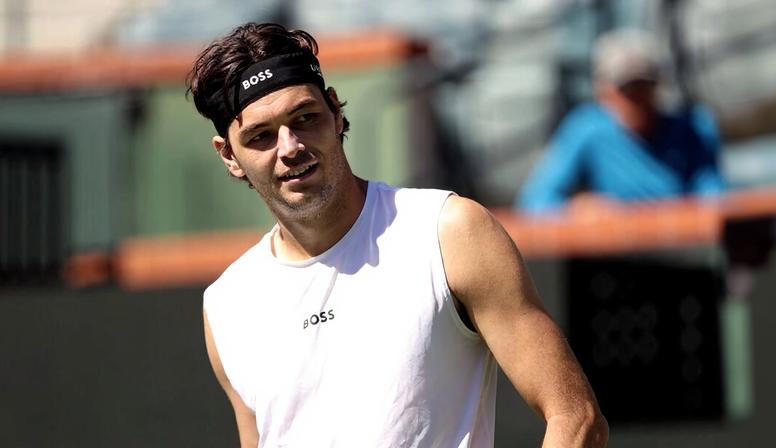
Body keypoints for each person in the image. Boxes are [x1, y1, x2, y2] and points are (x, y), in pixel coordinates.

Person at [187, 22, 608, 448]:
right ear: (229, 156)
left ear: (335, 112)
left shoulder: (449, 230)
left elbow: (576, 419)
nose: (290, 145)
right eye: (260, 136)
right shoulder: (226, 304)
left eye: (305, 118)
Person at [515, 28, 725, 214]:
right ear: (602, 90)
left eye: (645, 85)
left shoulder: (695, 126)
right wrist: (577, 210)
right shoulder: (586, 129)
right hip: (617, 253)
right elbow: (535, 202)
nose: (637, 98)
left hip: (686, 246)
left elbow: (713, 198)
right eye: (626, 88)